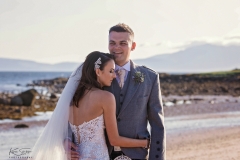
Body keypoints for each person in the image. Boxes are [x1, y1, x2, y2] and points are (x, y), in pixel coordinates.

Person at [67, 23, 166, 160]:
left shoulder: (150, 77)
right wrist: (66, 141)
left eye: (123, 43)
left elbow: (157, 124)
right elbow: (74, 109)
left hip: (137, 155)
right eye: (112, 43)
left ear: (133, 46)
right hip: (103, 154)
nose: (117, 47)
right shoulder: (96, 76)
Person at [30, 51, 148, 160]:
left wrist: (66, 141)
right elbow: (114, 140)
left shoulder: (72, 98)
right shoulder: (105, 97)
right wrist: (145, 143)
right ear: (98, 71)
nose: (114, 76)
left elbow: (64, 130)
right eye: (111, 71)